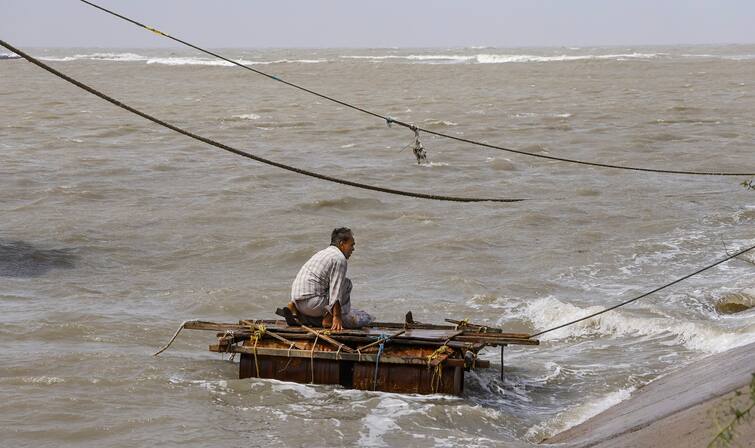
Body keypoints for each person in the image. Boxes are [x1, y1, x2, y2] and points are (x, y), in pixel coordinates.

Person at [282, 227, 374, 330]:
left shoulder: (322, 253)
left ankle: (296, 310)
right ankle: (329, 318)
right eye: (351, 245)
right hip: (313, 303)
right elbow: (336, 290)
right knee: (346, 284)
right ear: (342, 244)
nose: (353, 249)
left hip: (297, 300)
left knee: (326, 285)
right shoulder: (339, 259)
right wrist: (337, 316)